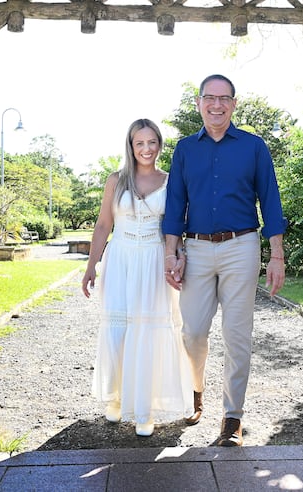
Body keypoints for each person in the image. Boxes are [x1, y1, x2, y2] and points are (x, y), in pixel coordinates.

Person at [162, 74, 287, 447]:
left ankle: (232, 419)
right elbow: (174, 205)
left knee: (237, 337)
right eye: (209, 98)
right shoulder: (185, 149)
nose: (217, 105)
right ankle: (196, 390)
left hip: (241, 247)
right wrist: (172, 251)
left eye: (224, 99)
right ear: (199, 103)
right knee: (193, 332)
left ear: (234, 104)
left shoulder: (253, 147)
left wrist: (276, 254)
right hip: (196, 249)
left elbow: (271, 200)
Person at [82, 118, 193, 437]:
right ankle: (116, 398)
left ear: (160, 144)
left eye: (152, 142)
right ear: (131, 146)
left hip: (155, 261)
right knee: (119, 332)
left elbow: (176, 226)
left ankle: (144, 409)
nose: (147, 149)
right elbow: (104, 225)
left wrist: (179, 256)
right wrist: (92, 266)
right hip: (121, 260)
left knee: (149, 332)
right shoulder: (115, 180)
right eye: (139, 143)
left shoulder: (172, 181)